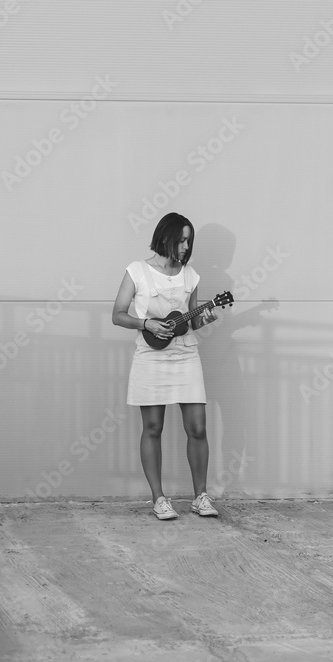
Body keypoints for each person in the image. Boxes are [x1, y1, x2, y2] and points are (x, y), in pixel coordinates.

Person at [111, 212, 219, 520]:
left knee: (198, 427)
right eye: (181, 240)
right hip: (151, 355)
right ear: (166, 237)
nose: (186, 247)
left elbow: (192, 319)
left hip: (185, 355)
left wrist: (204, 317)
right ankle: (159, 498)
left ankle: (201, 496)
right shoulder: (137, 271)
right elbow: (118, 314)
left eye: (189, 241)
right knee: (153, 428)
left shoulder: (191, 276)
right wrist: (147, 323)